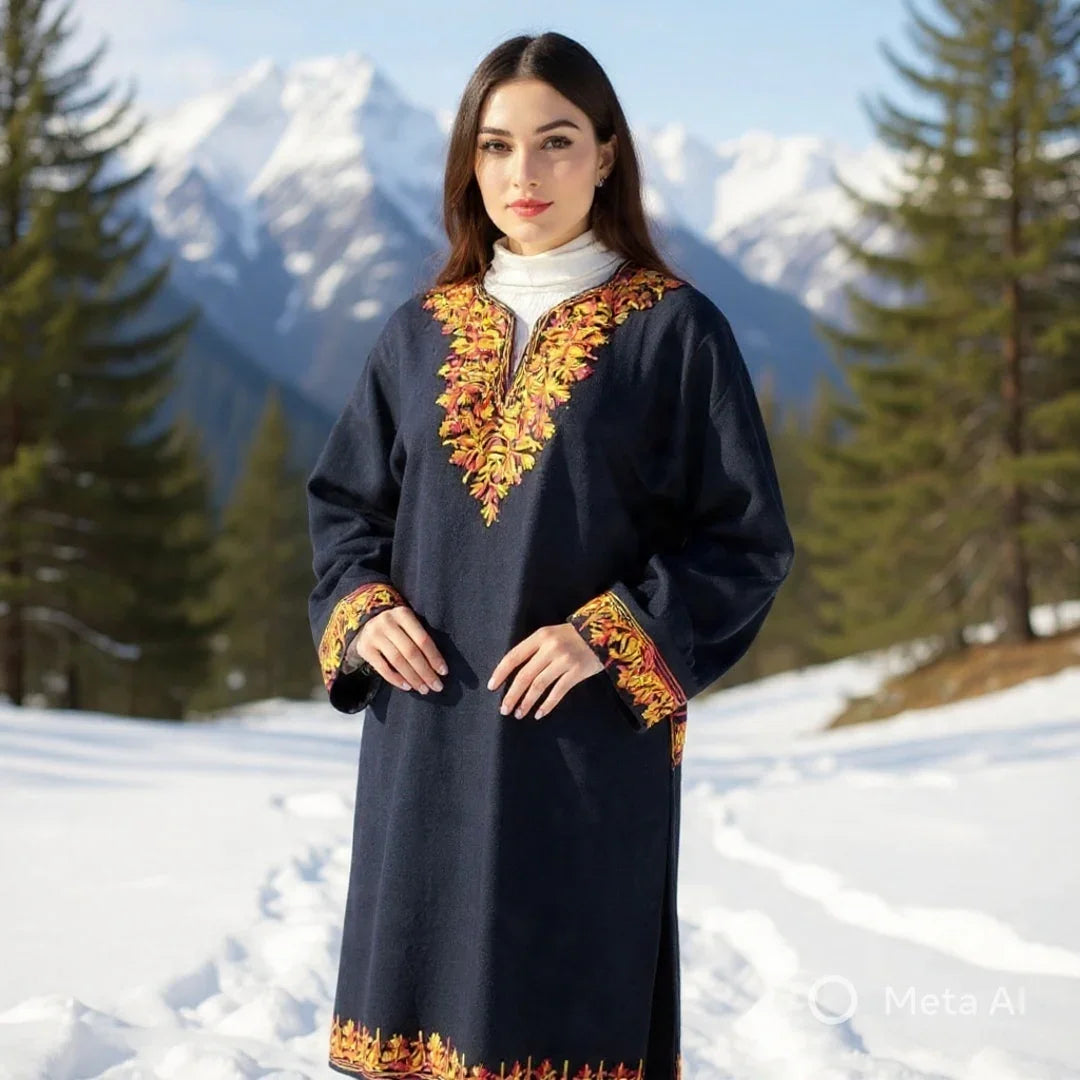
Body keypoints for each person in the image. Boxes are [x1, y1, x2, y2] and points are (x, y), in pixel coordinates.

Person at [307, 30, 795, 1080]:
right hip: (425, 744)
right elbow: (344, 510)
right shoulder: (417, 334)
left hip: (582, 753)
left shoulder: (676, 334)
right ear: (466, 163)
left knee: (565, 1033)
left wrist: (610, 635)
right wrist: (365, 609)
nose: (522, 175)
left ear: (607, 155)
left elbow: (745, 539)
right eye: (495, 147)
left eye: (555, 142)